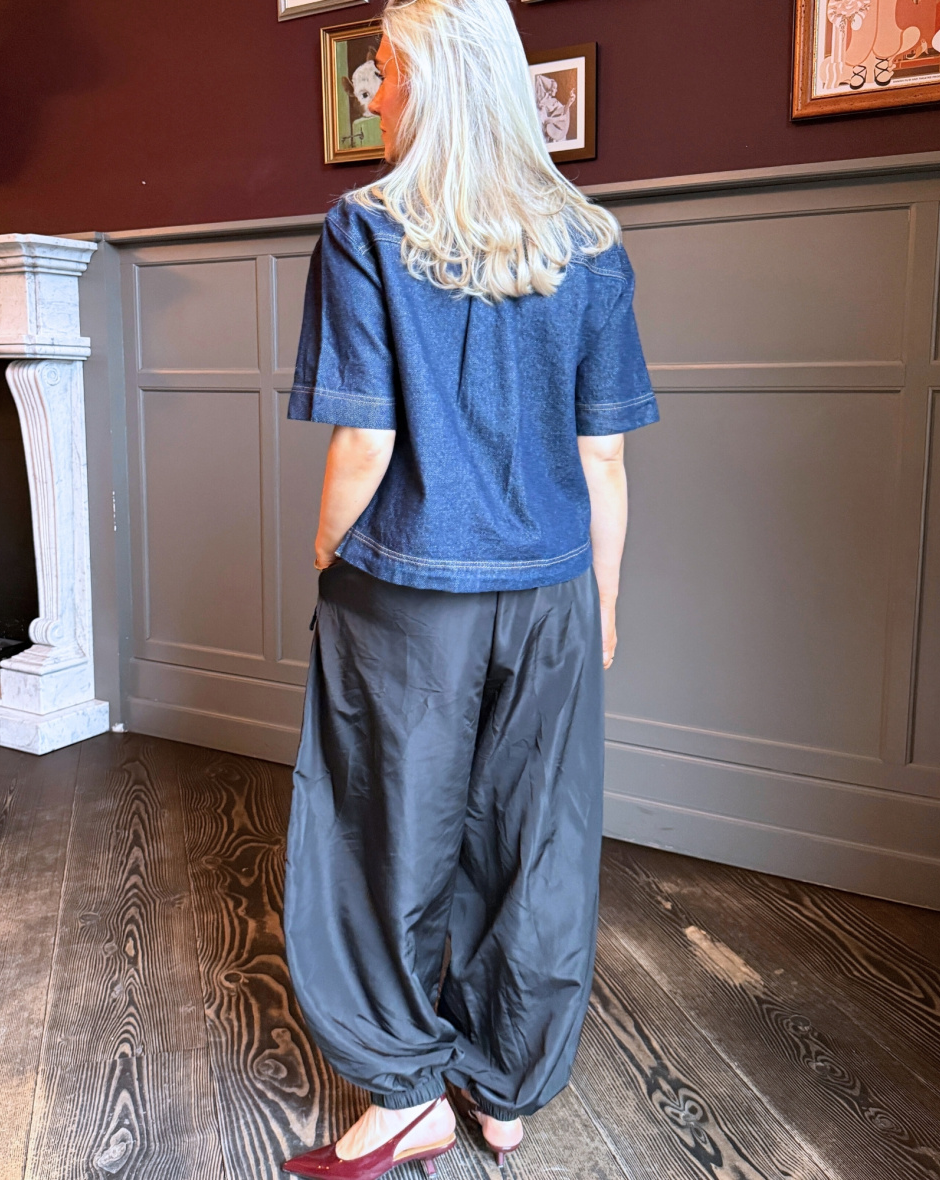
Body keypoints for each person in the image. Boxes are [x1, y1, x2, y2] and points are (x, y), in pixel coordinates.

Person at [281, 0, 658, 1175]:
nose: (373, 93)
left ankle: (406, 1092)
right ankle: (503, 1090)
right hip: (552, 593)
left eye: (385, 71)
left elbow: (365, 442)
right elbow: (603, 458)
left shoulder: (365, 229)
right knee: (535, 841)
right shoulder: (590, 242)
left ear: (434, 83)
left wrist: (324, 549)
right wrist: (602, 603)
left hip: (407, 595)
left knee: (383, 837)